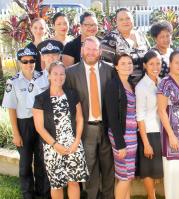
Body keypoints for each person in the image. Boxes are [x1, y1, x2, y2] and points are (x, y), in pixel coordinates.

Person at [64, 36, 115, 199]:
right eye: (88, 49)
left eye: (95, 49)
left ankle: (108, 196)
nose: (91, 52)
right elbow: (69, 105)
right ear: (82, 50)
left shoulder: (110, 70)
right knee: (89, 166)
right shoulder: (71, 73)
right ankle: (92, 195)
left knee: (108, 167)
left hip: (106, 128)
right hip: (86, 128)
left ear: (100, 51)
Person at [32, 61, 89, 199]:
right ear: (49, 76)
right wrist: (55, 145)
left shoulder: (72, 94)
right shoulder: (40, 99)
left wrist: (76, 142)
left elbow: (80, 119)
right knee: (56, 185)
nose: (59, 77)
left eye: (62, 74)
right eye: (55, 74)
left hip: (73, 145)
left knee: (73, 182)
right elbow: (39, 127)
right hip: (52, 147)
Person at [2, 47, 50, 199]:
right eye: (25, 61)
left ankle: (42, 193)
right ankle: (28, 194)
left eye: (32, 61)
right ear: (20, 62)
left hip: (41, 122)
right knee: (25, 164)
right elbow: (11, 109)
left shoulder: (43, 77)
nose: (29, 64)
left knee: (42, 162)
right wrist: (16, 134)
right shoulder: (13, 82)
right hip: (24, 124)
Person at [157, 51, 179, 199]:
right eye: (177, 62)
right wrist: (171, 135)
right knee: (173, 169)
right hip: (171, 130)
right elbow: (161, 111)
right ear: (170, 64)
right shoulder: (165, 82)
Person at [104, 53, 137, 199]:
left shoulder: (131, 84)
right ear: (116, 66)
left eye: (129, 63)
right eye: (123, 63)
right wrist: (120, 143)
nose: (127, 66)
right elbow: (112, 117)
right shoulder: (113, 85)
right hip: (122, 136)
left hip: (132, 135)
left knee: (127, 175)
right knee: (125, 176)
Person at [135, 50, 164, 199]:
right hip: (149, 131)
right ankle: (151, 196)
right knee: (147, 169)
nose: (155, 67)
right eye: (151, 63)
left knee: (157, 168)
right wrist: (146, 143)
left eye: (158, 63)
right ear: (145, 65)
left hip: (161, 131)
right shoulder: (141, 87)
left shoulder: (162, 82)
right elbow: (140, 117)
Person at [101, 8, 150, 84]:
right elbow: (105, 67)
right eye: (121, 19)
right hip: (122, 88)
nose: (125, 22)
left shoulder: (140, 35)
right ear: (116, 22)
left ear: (133, 20)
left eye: (128, 18)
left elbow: (150, 56)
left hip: (144, 87)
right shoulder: (110, 39)